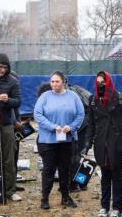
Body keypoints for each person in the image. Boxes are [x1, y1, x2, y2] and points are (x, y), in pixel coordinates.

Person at [84, 71, 122, 217]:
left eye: (103, 82)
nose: (101, 85)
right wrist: (87, 144)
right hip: (101, 144)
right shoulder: (93, 100)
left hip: (116, 143)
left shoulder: (120, 98)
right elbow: (91, 124)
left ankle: (117, 207)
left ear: (109, 82)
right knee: (104, 176)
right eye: (98, 82)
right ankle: (104, 206)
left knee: (117, 176)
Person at [34, 71, 85, 209]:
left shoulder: (73, 97)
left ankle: (65, 196)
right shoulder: (45, 96)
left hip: (67, 140)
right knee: (48, 169)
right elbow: (37, 115)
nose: (54, 84)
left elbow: (80, 114)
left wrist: (72, 127)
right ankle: (44, 198)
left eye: (57, 81)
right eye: (52, 82)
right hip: (48, 141)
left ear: (63, 82)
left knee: (65, 169)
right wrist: (53, 127)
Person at [0, 53, 22, 202]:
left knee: (9, 159)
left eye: (5, 67)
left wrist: (8, 100)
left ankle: (10, 190)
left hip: (5, 123)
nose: (2, 70)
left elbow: (18, 101)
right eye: (0, 67)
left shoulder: (12, 81)